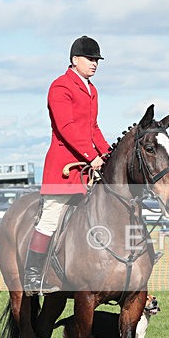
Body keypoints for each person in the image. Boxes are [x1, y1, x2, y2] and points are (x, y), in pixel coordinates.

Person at [24, 35, 111, 294]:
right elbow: (66, 127)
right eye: (90, 59)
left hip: (86, 170)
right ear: (75, 60)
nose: (95, 63)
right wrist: (90, 156)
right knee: (50, 220)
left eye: (97, 60)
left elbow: (93, 128)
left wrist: (108, 155)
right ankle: (32, 276)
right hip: (63, 167)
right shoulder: (60, 86)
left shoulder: (92, 90)